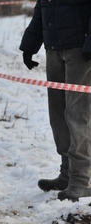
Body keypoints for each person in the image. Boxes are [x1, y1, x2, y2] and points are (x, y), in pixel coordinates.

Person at [19, 0, 91, 201]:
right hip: (54, 48)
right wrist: (29, 46)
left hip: (80, 50)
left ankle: (81, 180)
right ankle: (67, 173)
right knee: (58, 114)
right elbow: (41, 11)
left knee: (77, 115)